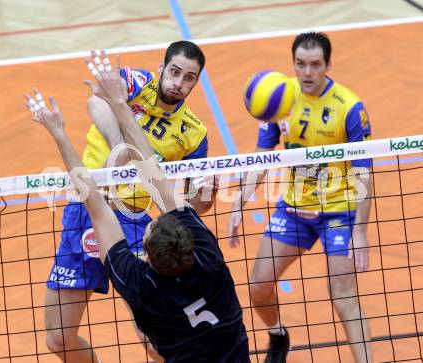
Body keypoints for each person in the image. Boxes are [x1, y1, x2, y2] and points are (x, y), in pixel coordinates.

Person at [26, 48, 250, 362]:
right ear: (162, 67)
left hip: (136, 221)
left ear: (196, 82)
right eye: (174, 72)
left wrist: (205, 198)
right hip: (86, 209)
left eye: (189, 78)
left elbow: (186, 210)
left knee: (154, 343)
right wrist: (121, 147)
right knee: (58, 338)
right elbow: (96, 101)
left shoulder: (193, 133)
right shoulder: (137, 82)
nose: (178, 83)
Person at [228, 32, 373, 363]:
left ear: (327, 65)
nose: (307, 72)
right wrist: (238, 202)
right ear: (293, 63)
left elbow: (364, 172)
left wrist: (361, 231)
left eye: (315, 65)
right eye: (300, 64)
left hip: (339, 210)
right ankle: (279, 336)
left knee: (343, 296)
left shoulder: (349, 107)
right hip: (293, 210)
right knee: (258, 287)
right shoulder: (281, 99)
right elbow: (262, 157)